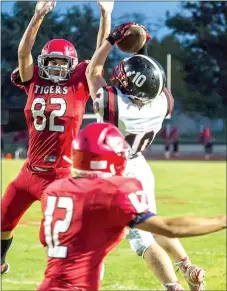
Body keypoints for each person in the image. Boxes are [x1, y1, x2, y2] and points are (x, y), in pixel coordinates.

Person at [86, 23, 205, 291]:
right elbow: (148, 75)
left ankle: (172, 287)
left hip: (118, 173)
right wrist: (140, 46)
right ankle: (187, 265)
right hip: (139, 166)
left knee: (142, 240)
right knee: (154, 221)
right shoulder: (163, 102)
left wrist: (110, 39)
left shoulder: (114, 105)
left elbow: (93, 71)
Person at [38, 122, 226, 291]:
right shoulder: (111, 193)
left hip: (49, 285)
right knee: (145, 239)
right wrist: (222, 220)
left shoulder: (53, 191)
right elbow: (169, 227)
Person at [1, 0, 114, 274]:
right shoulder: (34, 78)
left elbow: (99, 55)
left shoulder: (79, 81)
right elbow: (23, 51)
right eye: (50, 61)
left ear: (71, 64)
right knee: (3, 222)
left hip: (61, 175)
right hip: (29, 172)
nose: (54, 66)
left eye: (60, 62)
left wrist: (105, 14)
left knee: (58, 240)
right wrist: (38, 15)